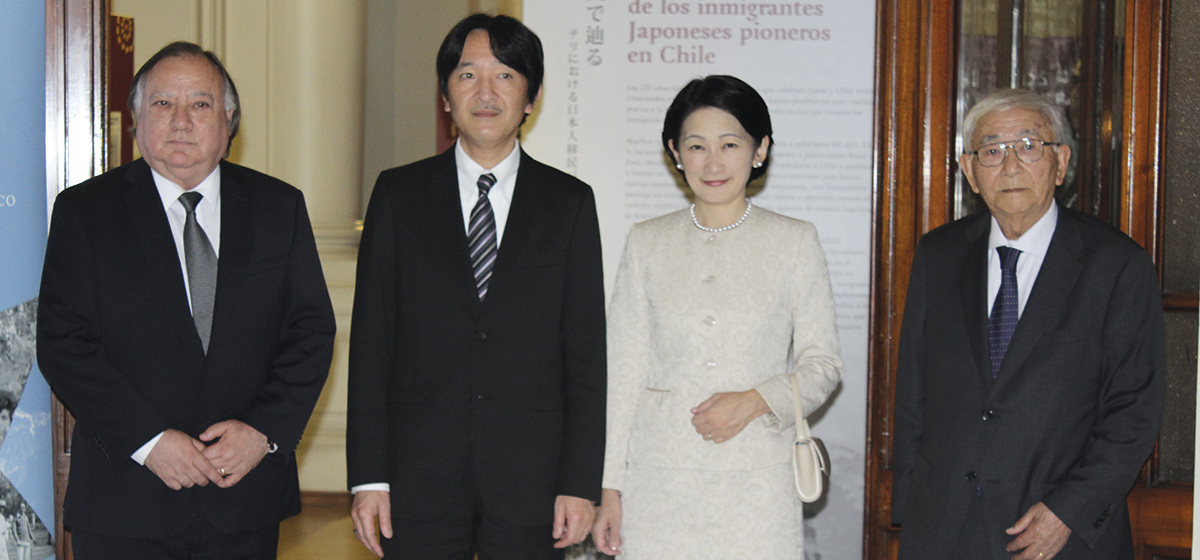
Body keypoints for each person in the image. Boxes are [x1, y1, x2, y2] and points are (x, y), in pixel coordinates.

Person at [37, 41, 336, 558]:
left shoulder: (277, 207)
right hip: (125, 500)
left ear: (228, 122)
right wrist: (150, 442)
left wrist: (263, 432)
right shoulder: (86, 211)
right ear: (134, 120)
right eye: (161, 104)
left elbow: (309, 332)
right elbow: (64, 343)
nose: (180, 120)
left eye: (199, 104)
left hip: (242, 495)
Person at [346, 13, 607, 560]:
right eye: (467, 75)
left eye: (506, 76)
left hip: (531, 481)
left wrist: (580, 483)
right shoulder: (398, 196)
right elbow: (372, 348)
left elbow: (585, 357)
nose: (485, 92)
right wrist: (369, 478)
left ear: (531, 97)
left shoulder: (569, 204)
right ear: (445, 96)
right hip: (417, 479)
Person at [890, 89, 1165, 560]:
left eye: (1029, 146)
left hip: (1059, 533)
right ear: (969, 172)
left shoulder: (1116, 266)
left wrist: (1068, 512)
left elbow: (1133, 414)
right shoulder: (938, 255)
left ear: (1061, 162)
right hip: (943, 528)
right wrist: (911, 508)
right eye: (992, 151)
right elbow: (913, 394)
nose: (1010, 165)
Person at [591, 75, 843, 559]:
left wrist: (755, 400)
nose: (713, 162)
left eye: (730, 144)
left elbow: (823, 365)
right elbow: (621, 375)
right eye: (696, 145)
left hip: (758, 487)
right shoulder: (647, 242)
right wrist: (609, 490)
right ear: (675, 151)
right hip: (656, 488)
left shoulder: (794, 241)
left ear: (759, 149)